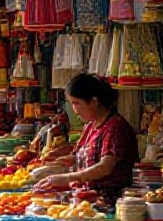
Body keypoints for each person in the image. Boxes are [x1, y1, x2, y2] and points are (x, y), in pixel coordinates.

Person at [37, 73, 139, 202]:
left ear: (94, 102)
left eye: (76, 103)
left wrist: (68, 178)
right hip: (86, 198)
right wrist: (58, 160)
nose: (74, 110)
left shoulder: (115, 127)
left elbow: (105, 167)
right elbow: (82, 155)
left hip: (109, 202)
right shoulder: (91, 125)